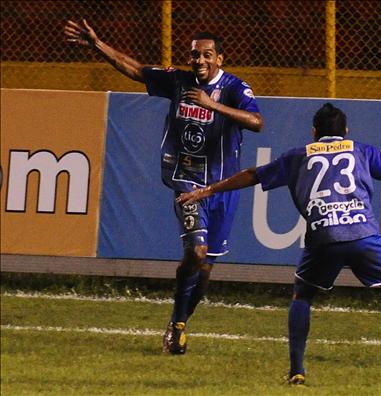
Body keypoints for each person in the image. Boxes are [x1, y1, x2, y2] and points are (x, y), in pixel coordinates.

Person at [176, 103, 381, 385]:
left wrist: (207, 191)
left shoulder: (298, 155)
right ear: (346, 131)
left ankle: (297, 371)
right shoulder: (361, 150)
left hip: (322, 238)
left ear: (314, 131)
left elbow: (251, 175)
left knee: (302, 296)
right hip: (363, 234)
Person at [64, 20, 264, 354]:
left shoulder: (234, 89)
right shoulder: (178, 81)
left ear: (220, 59)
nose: (199, 61)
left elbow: (257, 123)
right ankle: (180, 311)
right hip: (186, 180)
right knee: (196, 253)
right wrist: (97, 44)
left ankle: (178, 320)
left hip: (221, 189)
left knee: (204, 271)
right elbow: (138, 70)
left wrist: (211, 104)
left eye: (206, 55)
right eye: (194, 55)